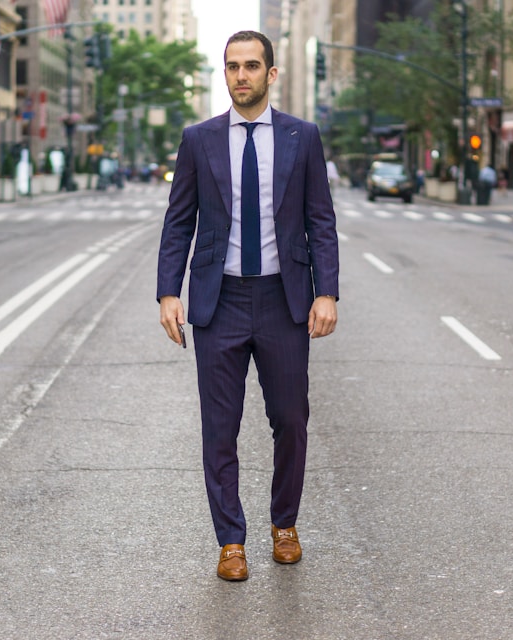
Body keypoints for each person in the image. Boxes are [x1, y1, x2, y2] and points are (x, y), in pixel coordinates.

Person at [157, 30, 339, 582]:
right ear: (225, 73)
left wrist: (326, 291)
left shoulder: (301, 137)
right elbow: (178, 222)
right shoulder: (199, 139)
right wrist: (169, 292)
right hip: (220, 301)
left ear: (271, 74)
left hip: (284, 299)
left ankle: (284, 524)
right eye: (233, 66)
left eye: (252, 66)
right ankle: (230, 541)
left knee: (290, 419)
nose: (242, 75)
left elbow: (320, 220)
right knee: (220, 426)